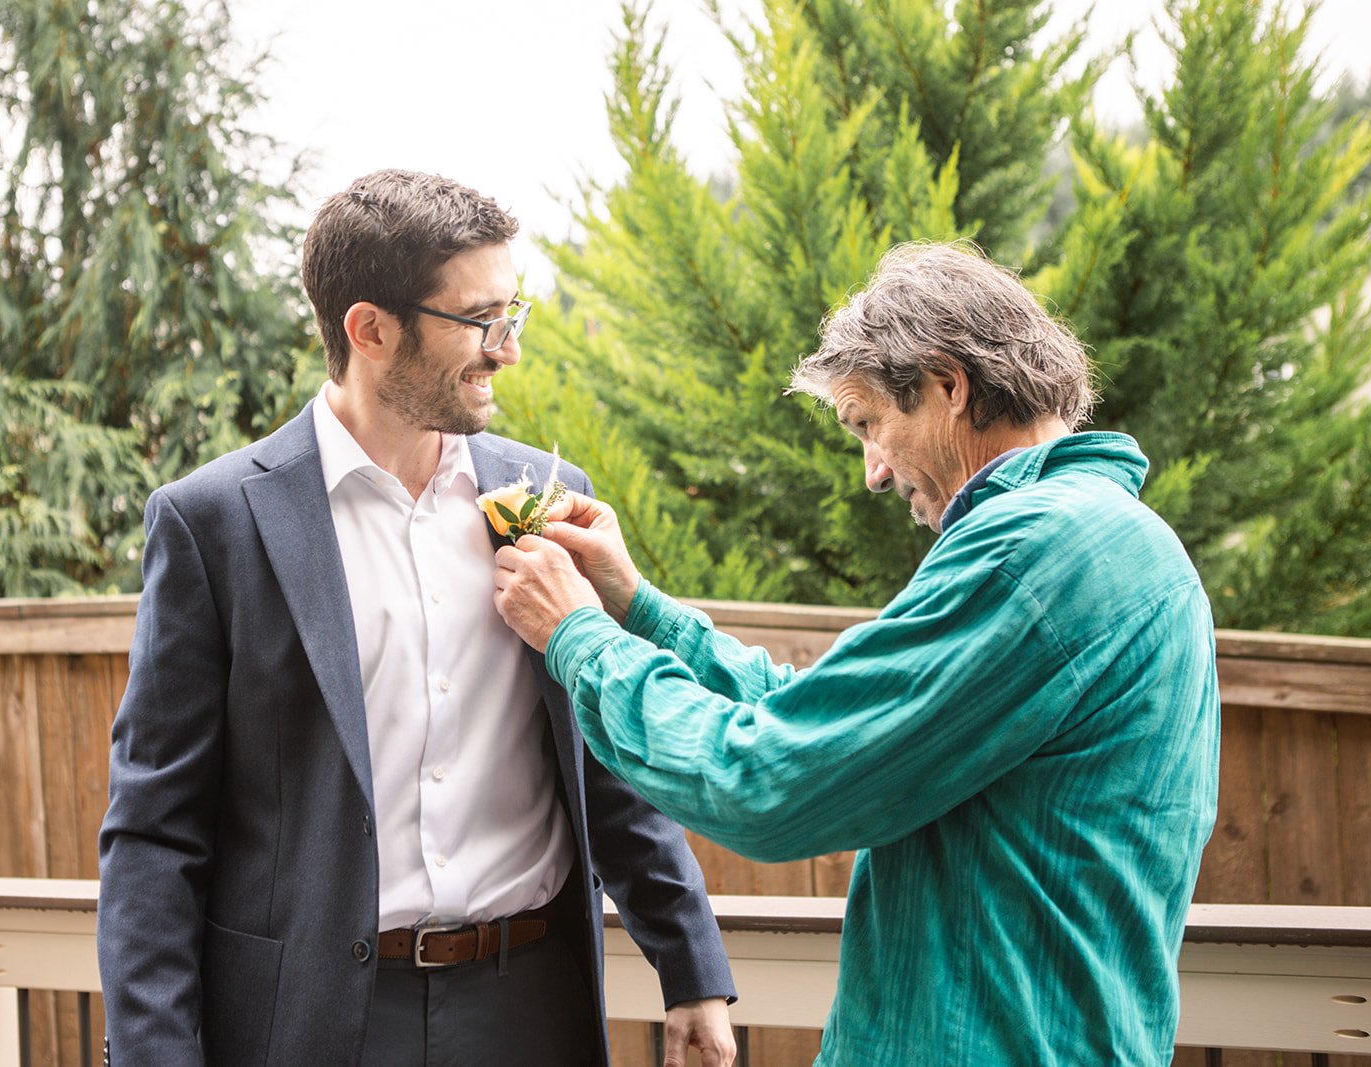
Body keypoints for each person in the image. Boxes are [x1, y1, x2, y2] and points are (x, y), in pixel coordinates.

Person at [491, 241, 1221, 1066]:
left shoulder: (1032, 554)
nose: (873, 471)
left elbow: (769, 781)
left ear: (949, 384)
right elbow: (828, 716)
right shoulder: (1106, 537)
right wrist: (639, 607)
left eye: (870, 423)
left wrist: (580, 638)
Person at [97, 170, 737, 1066]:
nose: (507, 349)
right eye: (481, 322)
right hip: (319, 1022)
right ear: (371, 329)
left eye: (514, 315)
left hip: (534, 1007)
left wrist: (690, 965)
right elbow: (155, 830)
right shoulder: (216, 524)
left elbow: (607, 757)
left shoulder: (550, 500)